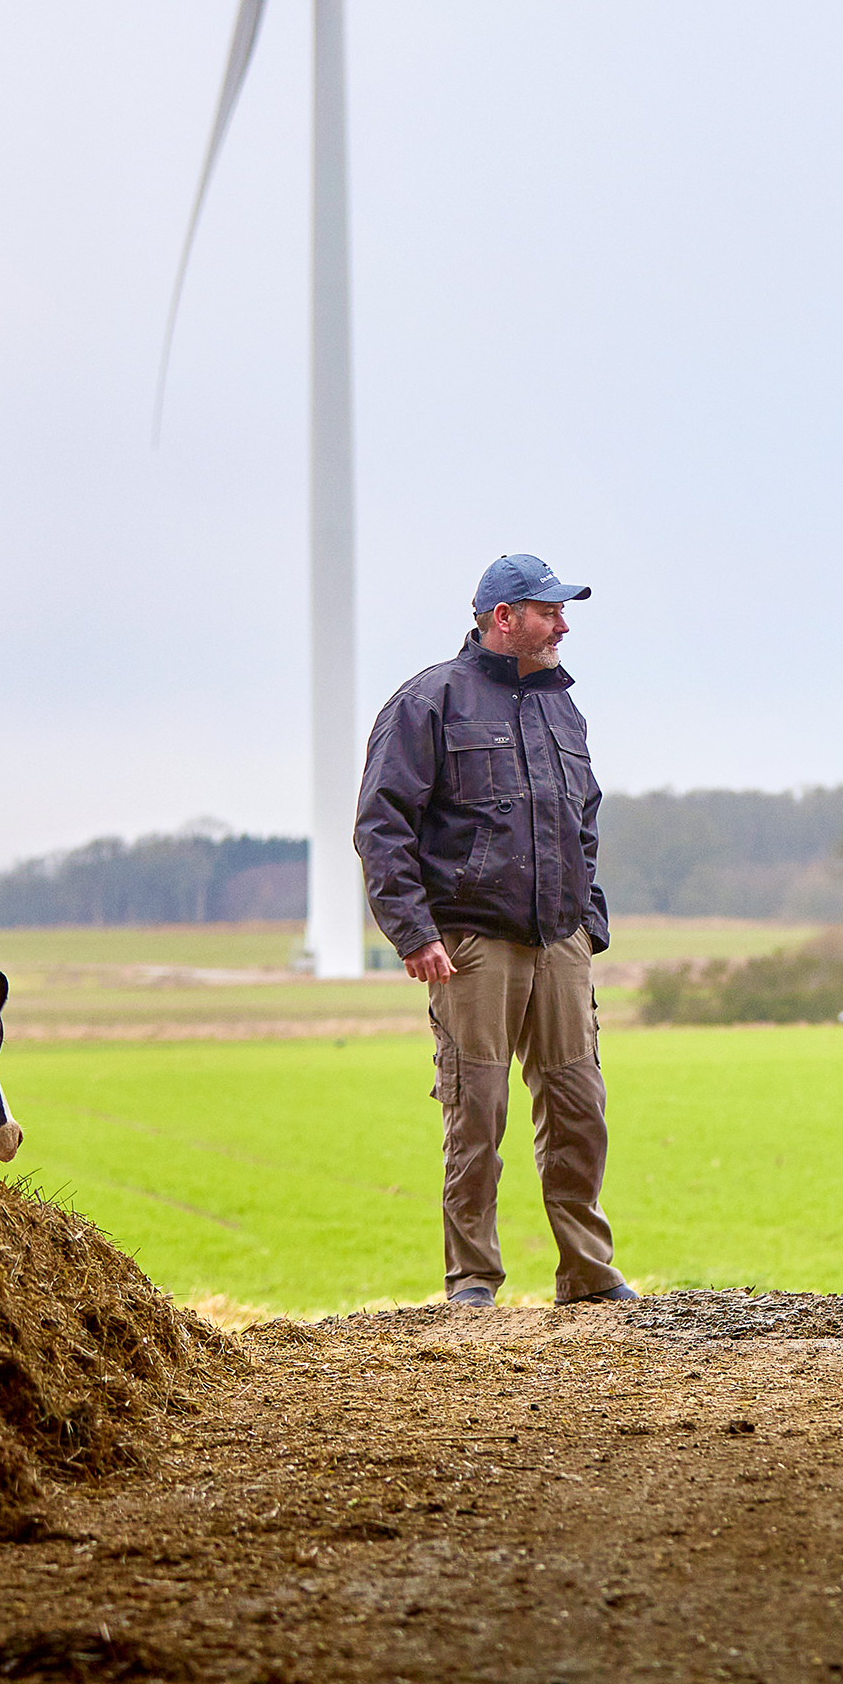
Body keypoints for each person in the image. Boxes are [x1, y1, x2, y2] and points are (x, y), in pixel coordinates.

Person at [354, 553, 633, 1308]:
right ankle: (472, 1277)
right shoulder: (427, 702)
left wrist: (588, 924)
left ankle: (588, 1270)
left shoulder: (562, 707)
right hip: (470, 945)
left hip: (560, 942)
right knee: (476, 1111)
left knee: (579, 1106)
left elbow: (584, 821)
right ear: (502, 616)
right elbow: (381, 826)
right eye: (550, 611)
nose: (563, 625)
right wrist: (413, 932)